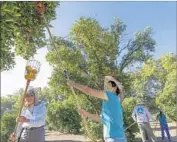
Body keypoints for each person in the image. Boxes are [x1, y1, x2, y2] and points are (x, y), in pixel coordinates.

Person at [67, 76, 127, 142]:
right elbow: (101, 119)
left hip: (113, 139)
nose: (106, 85)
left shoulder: (109, 95)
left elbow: (88, 91)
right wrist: (87, 114)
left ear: (115, 87)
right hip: (121, 138)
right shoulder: (117, 100)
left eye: (109, 83)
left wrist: (74, 84)